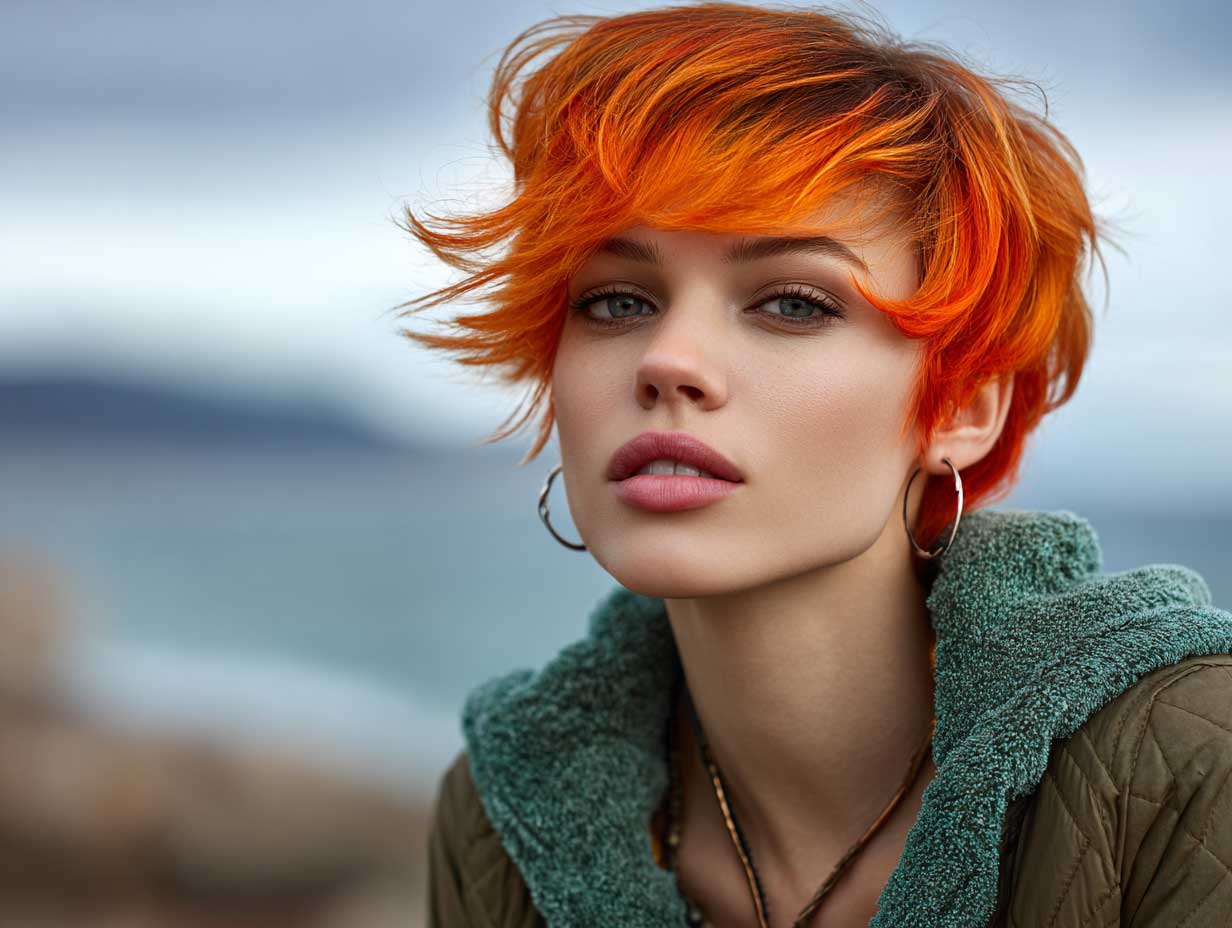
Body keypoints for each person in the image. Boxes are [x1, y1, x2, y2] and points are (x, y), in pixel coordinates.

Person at [400, 3, 1232, 925]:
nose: (668, 360)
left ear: (960, 407)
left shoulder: (1189, 764)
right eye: (617, 301)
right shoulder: (500, 816)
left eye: (793, 304)